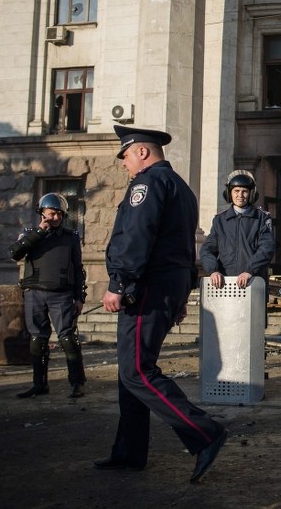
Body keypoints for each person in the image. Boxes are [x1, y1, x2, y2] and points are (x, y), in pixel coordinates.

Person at [95, 125, 227, 483]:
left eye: (125, 156)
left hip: (145, 289)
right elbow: (185, 249)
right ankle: (129, 452)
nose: (123, 164)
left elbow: (137, 236)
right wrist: (181, 296)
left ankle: (204, 433)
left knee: (137, 371)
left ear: (141, 151)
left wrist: (119, 282)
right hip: (165, 288)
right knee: (131, 371)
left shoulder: (147, 184)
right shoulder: (181, 188)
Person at [9, 193, 87, 399]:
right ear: (42, 213)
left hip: (61, 294)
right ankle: (39, 384)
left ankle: (77, 383)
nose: (56, 218)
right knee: (37, 339)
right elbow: (15, 253)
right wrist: (38, 233)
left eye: (59, 215)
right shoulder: (29, 233)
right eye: (52, 214)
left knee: (68, 338)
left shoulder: (70, 237)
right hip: (34, 292)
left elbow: (78, 268)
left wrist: (79, 297)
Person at [200, 170, 275, 289]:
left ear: (251, 194)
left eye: (244, 191)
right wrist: (213, 270)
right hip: (225, 283)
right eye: (236, 191)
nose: (240, 195)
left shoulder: (261, 218)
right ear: (229, 193)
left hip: (252, 281)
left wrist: (249, 271)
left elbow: (267, 248)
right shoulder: (220, 220)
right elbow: (207, 250)